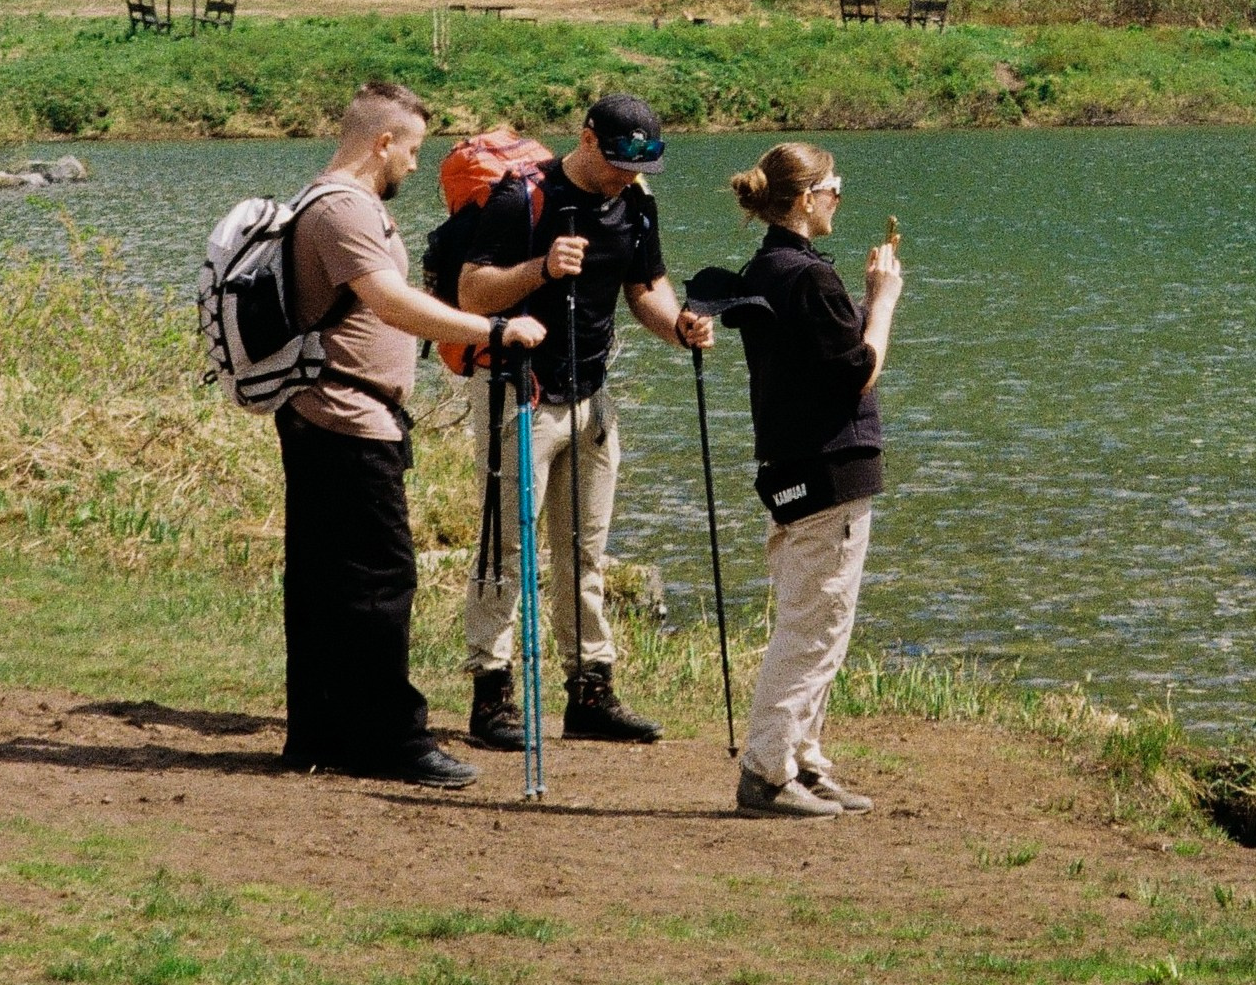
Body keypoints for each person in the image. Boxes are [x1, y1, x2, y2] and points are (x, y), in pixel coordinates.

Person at [279, 79, 541, 788]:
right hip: (345, 419)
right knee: (378, 581)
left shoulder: (334, 202)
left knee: (326, 583)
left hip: (336, 416)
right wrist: (490, 328)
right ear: (382, 142)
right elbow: (391, 304)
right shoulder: (341, 209)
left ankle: (319, 734)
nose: (418, 167)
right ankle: (390, 739)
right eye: (415, 150)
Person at [454, 92, 712, 752]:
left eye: (642, 169)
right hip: (518, 395)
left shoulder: (636, 206)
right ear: (587, 138)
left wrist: (677, 328)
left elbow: (645, 288)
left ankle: (590, 693)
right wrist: (541, 269)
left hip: (593, 401)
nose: (629, 179)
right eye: (621, 164)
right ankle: (492, 697)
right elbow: (471, 293)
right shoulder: (521, 199)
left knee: (585, 552)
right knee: (506, 549)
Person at [724, 142, 900, 820]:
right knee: (814, 629)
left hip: (789, 468)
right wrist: (881, 299)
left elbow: (817, 360)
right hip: (828, 472)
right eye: (832, 188)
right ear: (802, 199)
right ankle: (766, 772)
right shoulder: (806, 278)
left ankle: (803, 759)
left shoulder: (767, 268)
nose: (838, 199)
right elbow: (857, 367)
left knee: (815, 620)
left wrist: (856, 297)